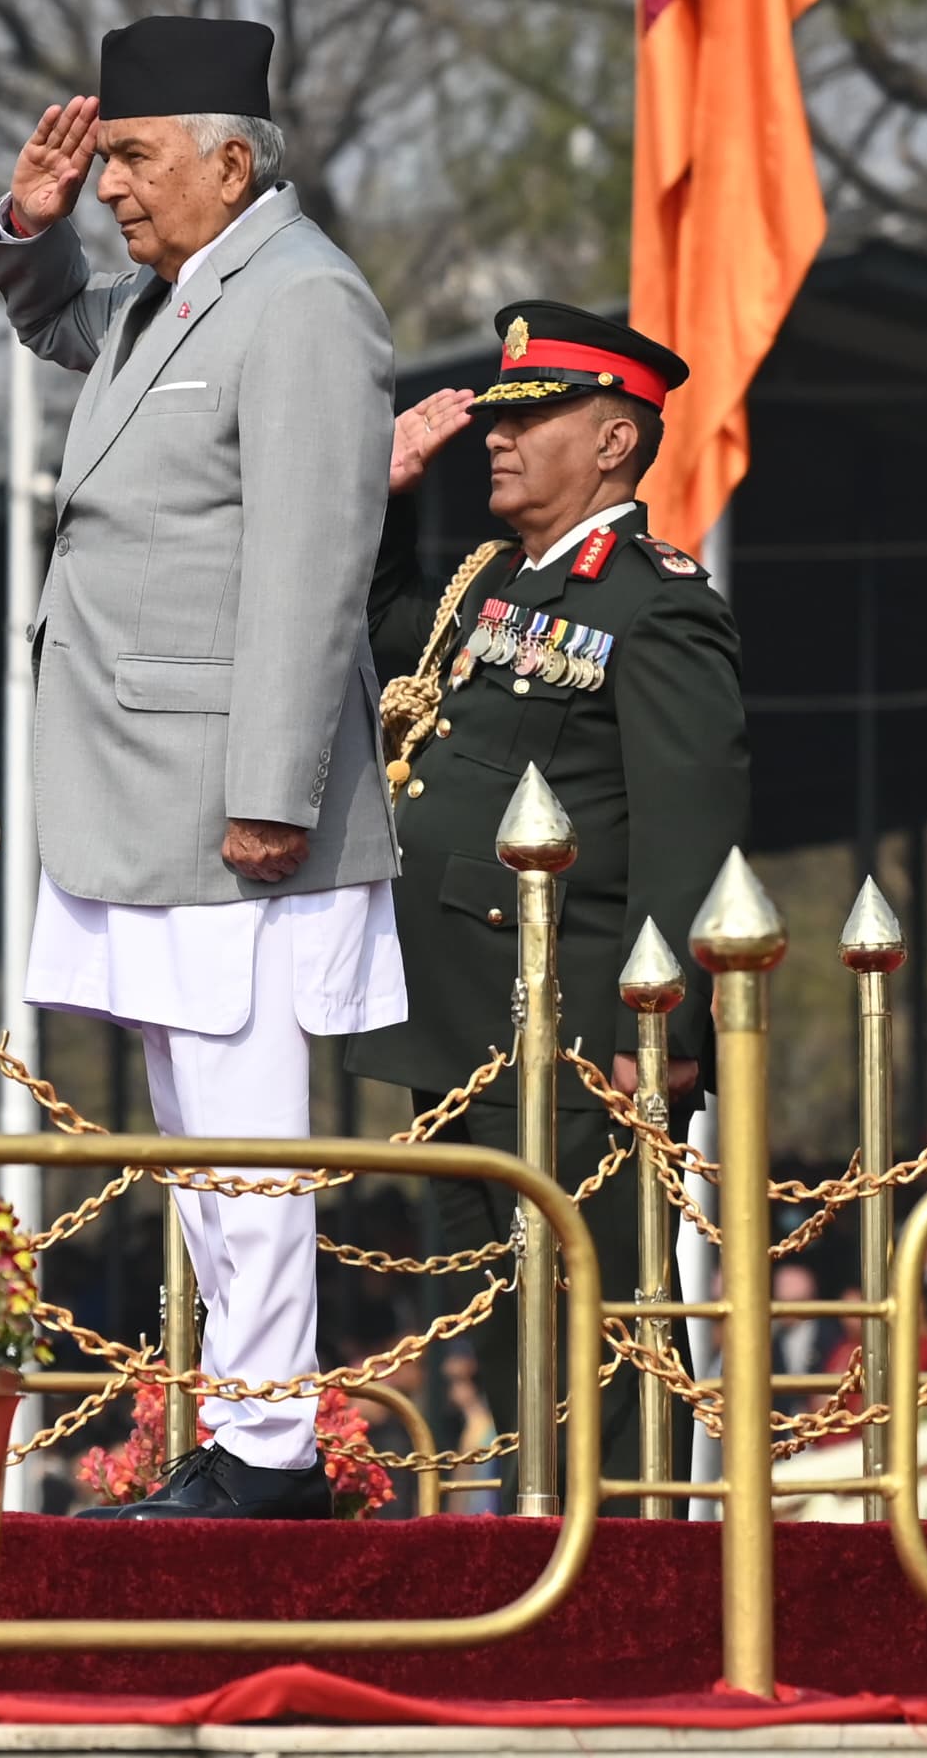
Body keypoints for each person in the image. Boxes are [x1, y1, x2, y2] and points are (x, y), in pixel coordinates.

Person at [0, 15, 402, 1522]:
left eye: (137, 160)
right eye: (105, 167)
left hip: (226, 795)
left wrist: (275, 785)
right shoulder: (182, 295)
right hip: (147, 788)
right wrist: (24, 224)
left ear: (233, 159)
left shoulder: (298, 303)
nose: (113, 190)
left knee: (245, 1133)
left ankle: (273, 1447)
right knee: (201, 1141)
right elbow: (63, 321)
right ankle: (241, 1426)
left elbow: (311, 560)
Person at [352, 300, 747, 1455]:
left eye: (534, 414)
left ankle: (622, 1564)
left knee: (599, 1315)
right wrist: (388, 493)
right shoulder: (497, 584)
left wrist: (659, 1020)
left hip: (578, 1033)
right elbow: (379, 619)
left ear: (614, 440)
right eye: (499, 415)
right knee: (501, 1312)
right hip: (461, 1021)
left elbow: (691, 821)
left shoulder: (653, 598)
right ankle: (542, 1542)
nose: (498, 433)